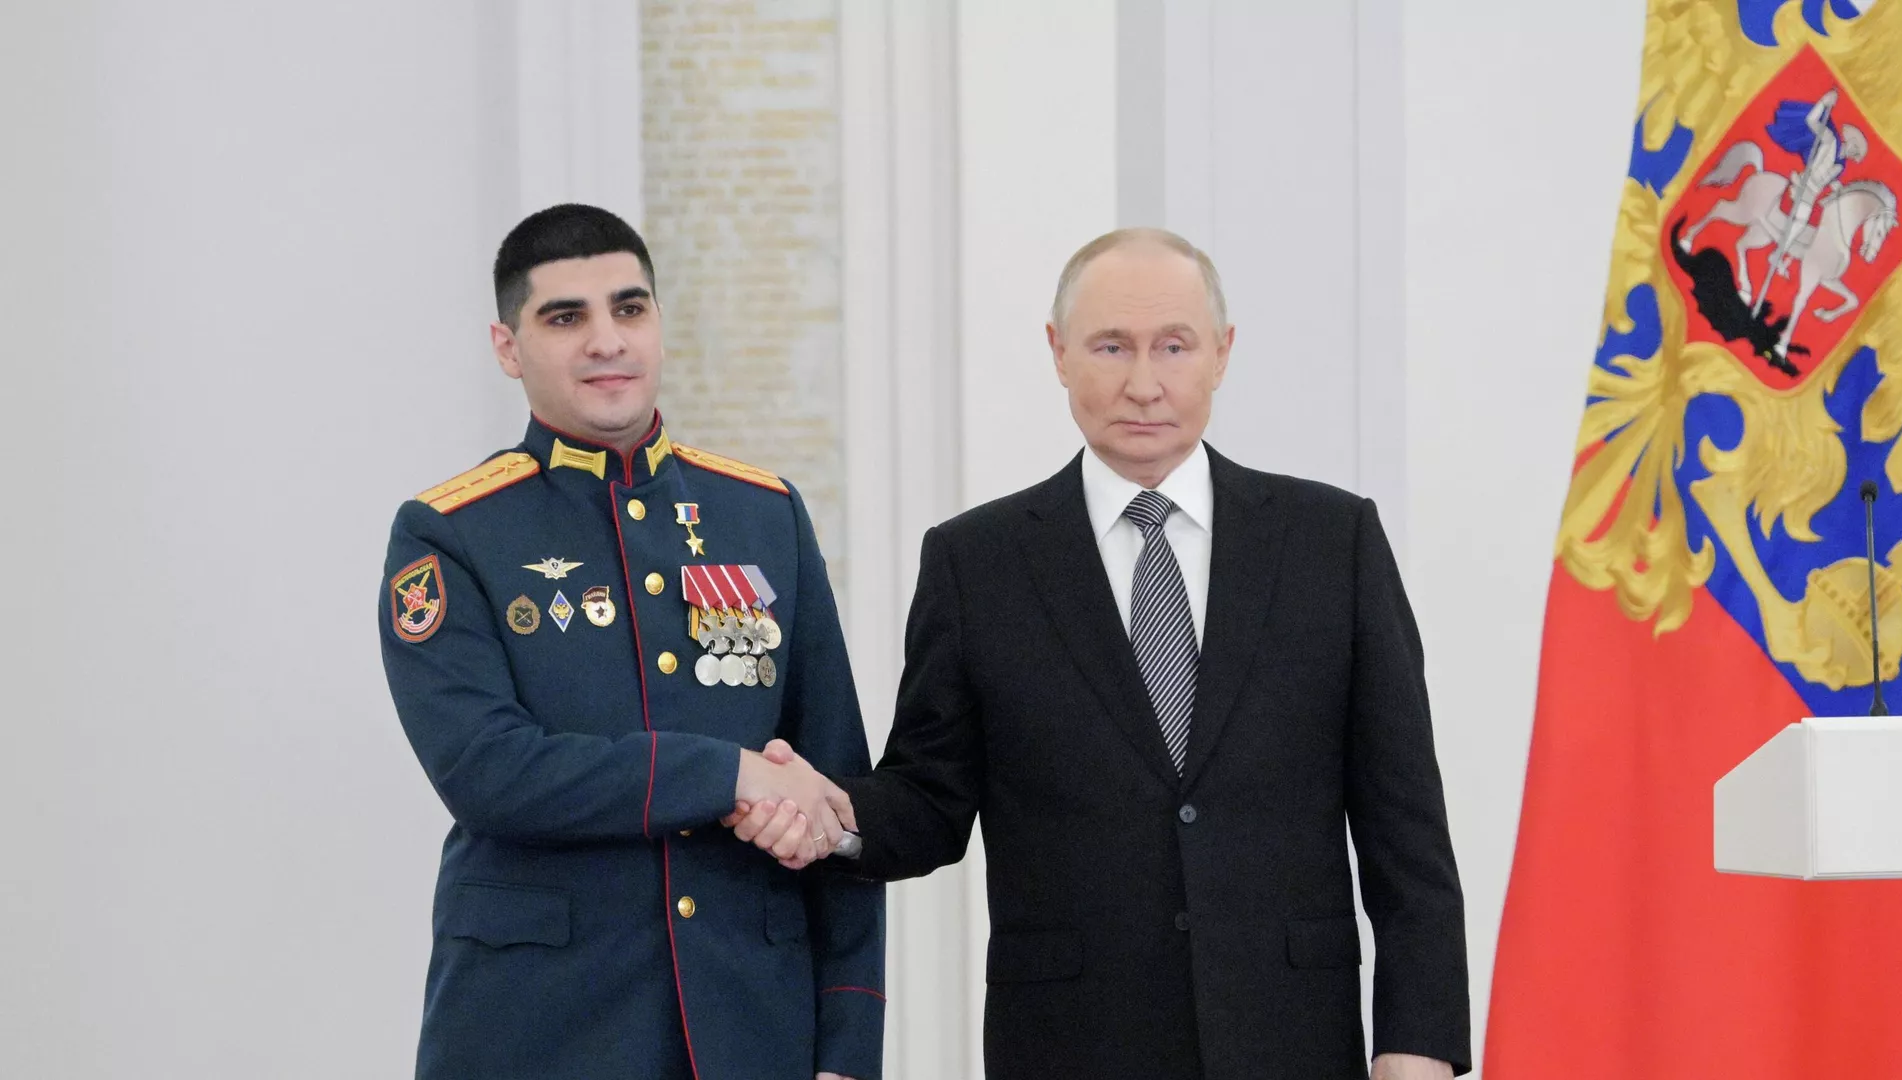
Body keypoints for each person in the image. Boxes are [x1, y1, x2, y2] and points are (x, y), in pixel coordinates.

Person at [734, 228, 1469, 1079]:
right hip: (1070, 1043)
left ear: (1223, 353)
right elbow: (929, 799)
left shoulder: (1332, 543)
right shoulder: (977, 563)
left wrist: (1418, 1046)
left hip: (1291, 1041)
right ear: (1058, 352)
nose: (1143, 384)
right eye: (1111, 346)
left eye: (1174, 346)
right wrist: (827, 814)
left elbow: (1406, 827)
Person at [378, 203, 882, 1080]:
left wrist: (847, 1046)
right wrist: (728, 773)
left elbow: (837, 792)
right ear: (508, 347)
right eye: (565, 318)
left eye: (629, 308)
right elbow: (489, 773)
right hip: (540, 1032)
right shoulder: (450, 533)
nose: (607, 340)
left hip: (750, 1029)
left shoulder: (762, 514)